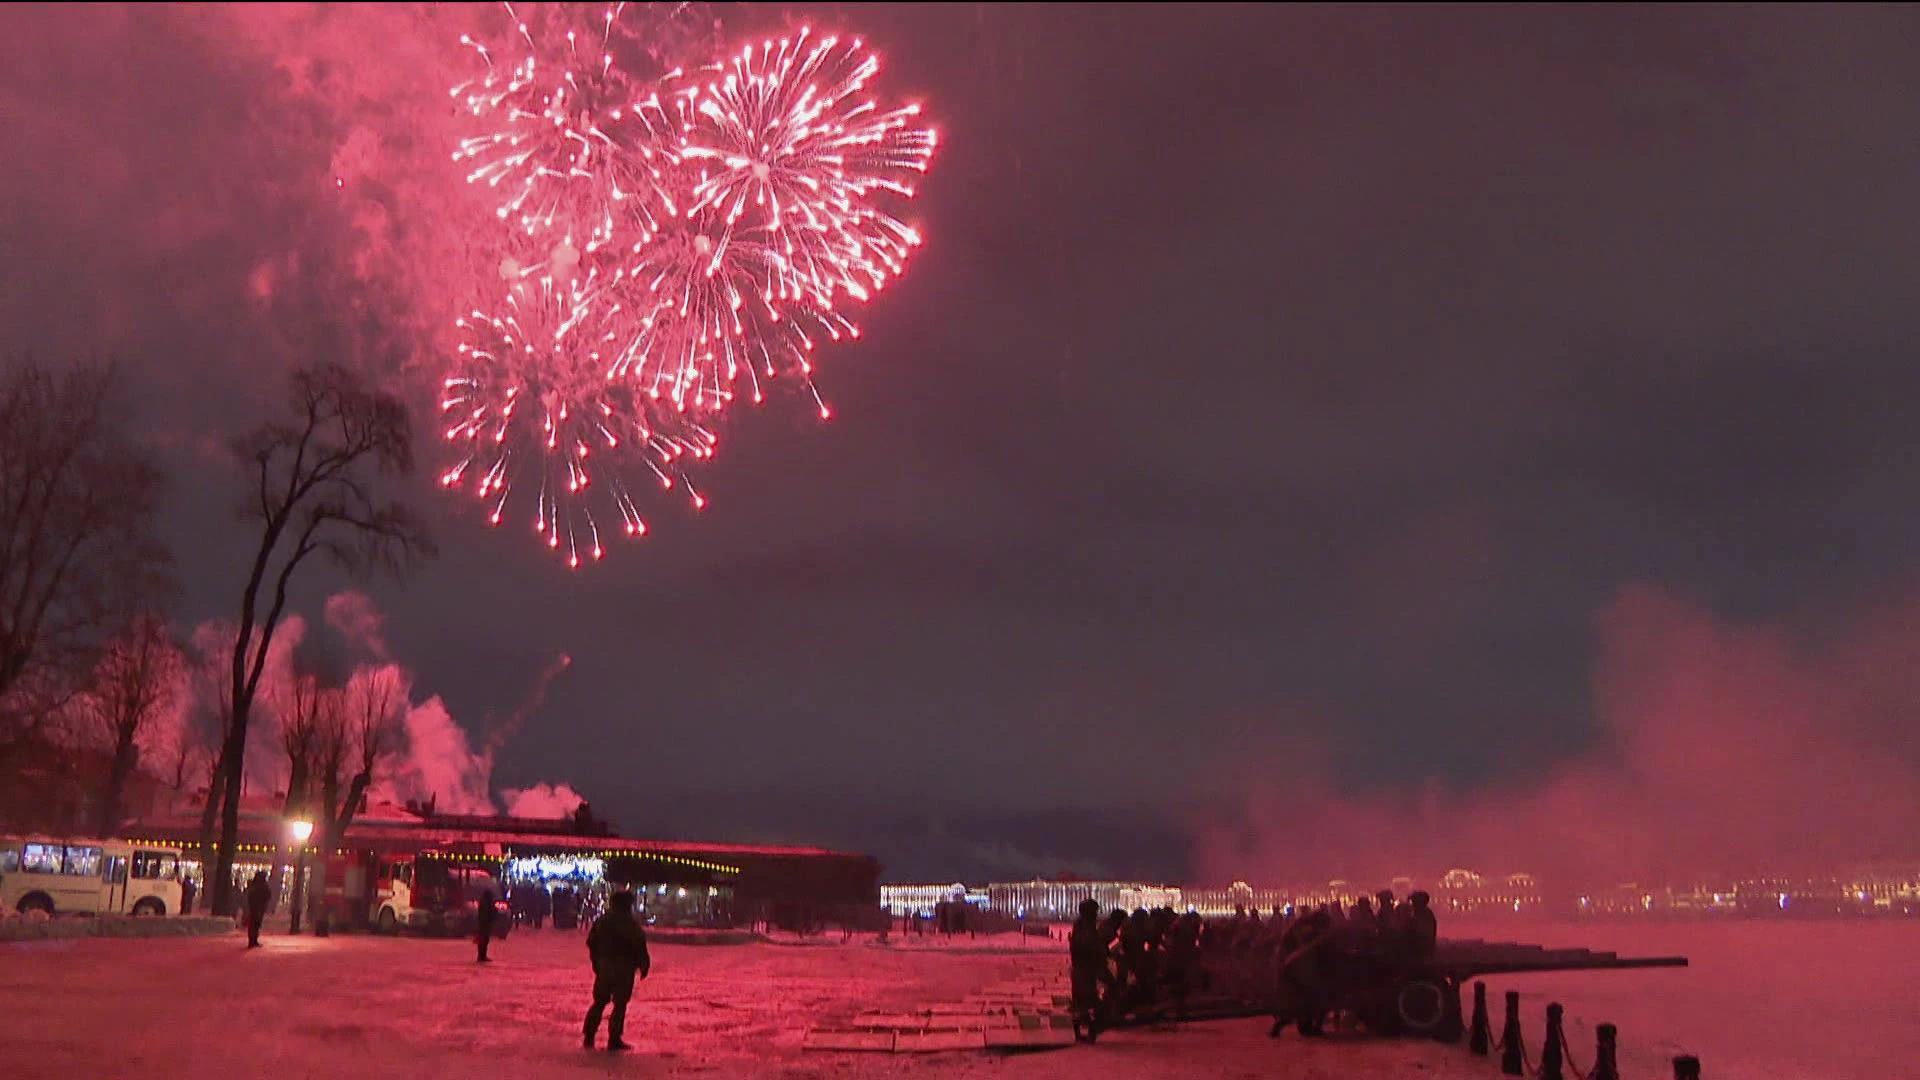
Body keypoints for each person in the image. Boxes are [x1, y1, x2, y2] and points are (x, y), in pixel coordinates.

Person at [584, 890, 651, 1053]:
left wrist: (597, 961)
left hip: (605, 966)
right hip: (624, 967)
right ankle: (614, 1038)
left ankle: (589, 1035)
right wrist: (644, 965)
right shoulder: (629, 924)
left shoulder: (603, 921)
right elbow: (639, 945)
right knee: (620, 1004)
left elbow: (591, 941)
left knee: (599, 1001)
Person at [1067, 900, 1108, 1042]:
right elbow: (1090, 948)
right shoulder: (1086, 929)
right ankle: (1086, 1032)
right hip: (1084, 969)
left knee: (1081, 1002)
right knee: (1088, 1003)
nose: (1096, 914)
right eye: (1094, 911)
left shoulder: (1081, 926)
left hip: (1081, 969)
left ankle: (1081, 1032)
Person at [243, 870, 270, 948]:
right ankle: (253, 940)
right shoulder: (261, 885)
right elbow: (267, 894)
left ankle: (253, 940)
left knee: (254, 924)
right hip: (257, 907)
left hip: (255, 907)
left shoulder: (254, 885)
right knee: (255, 924)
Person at [475, 889, 499, 962]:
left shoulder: (484, 902)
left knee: (483, 940)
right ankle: (481, 956)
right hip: (485, 924)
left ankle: (482, 955)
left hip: (483, 924)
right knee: (483, 940)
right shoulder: (486, 903)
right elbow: (489, 913)